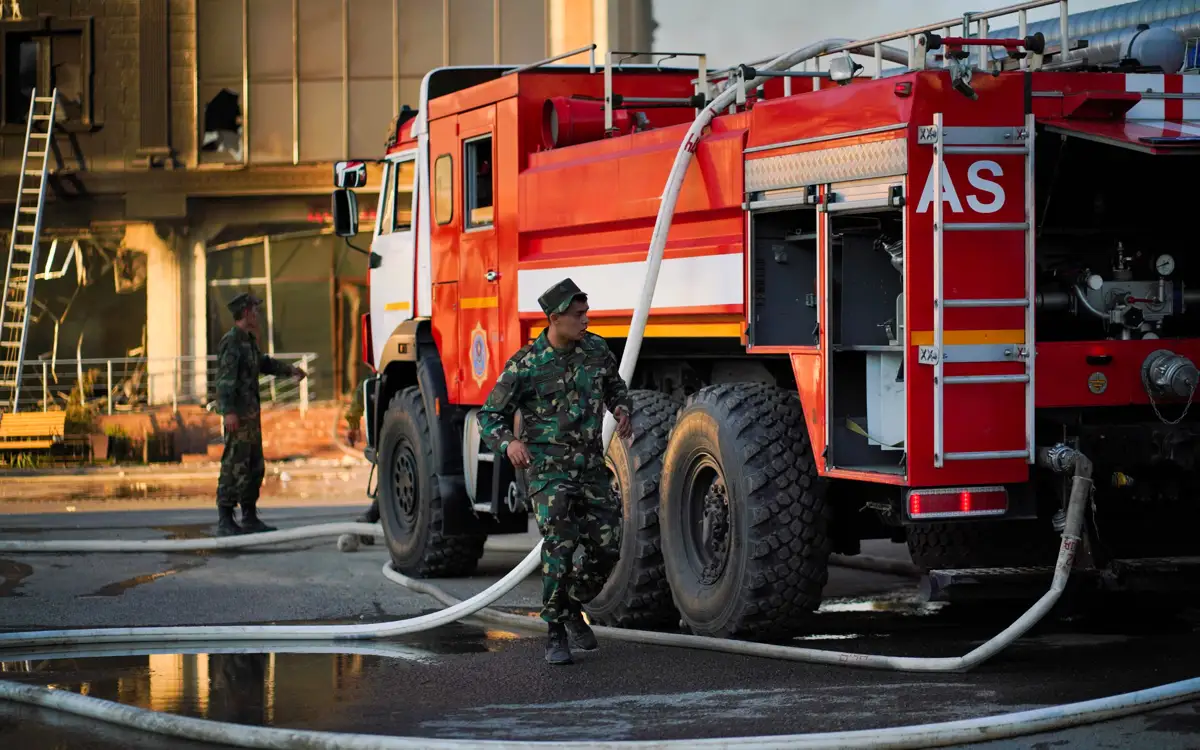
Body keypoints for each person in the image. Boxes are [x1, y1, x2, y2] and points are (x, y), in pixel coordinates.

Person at [477, 278, 633, 666]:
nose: (585, 321)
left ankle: (568, 603)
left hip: (591, 468)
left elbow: (615, 387)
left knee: (608, 545)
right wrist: (509, 444)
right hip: (548, 473)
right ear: (555, 318)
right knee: (559, 549)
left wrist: (623, 409)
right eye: (578, 315)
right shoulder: (526, 365)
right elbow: (489, 416)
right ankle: (555, 632)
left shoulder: (596, 350)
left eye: (586, 313)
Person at [214, 292, 307, 537]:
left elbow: (263, 363)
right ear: (246, 313)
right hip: (239, 416)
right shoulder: (232, 341)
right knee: (234, 463)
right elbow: (224, 381)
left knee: (254, 465)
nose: (258, 315)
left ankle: (249, 516)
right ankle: (225, 518)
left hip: (251, 415)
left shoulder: (248, 341)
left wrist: (290, 370)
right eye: (255, 310)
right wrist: (229, 412)